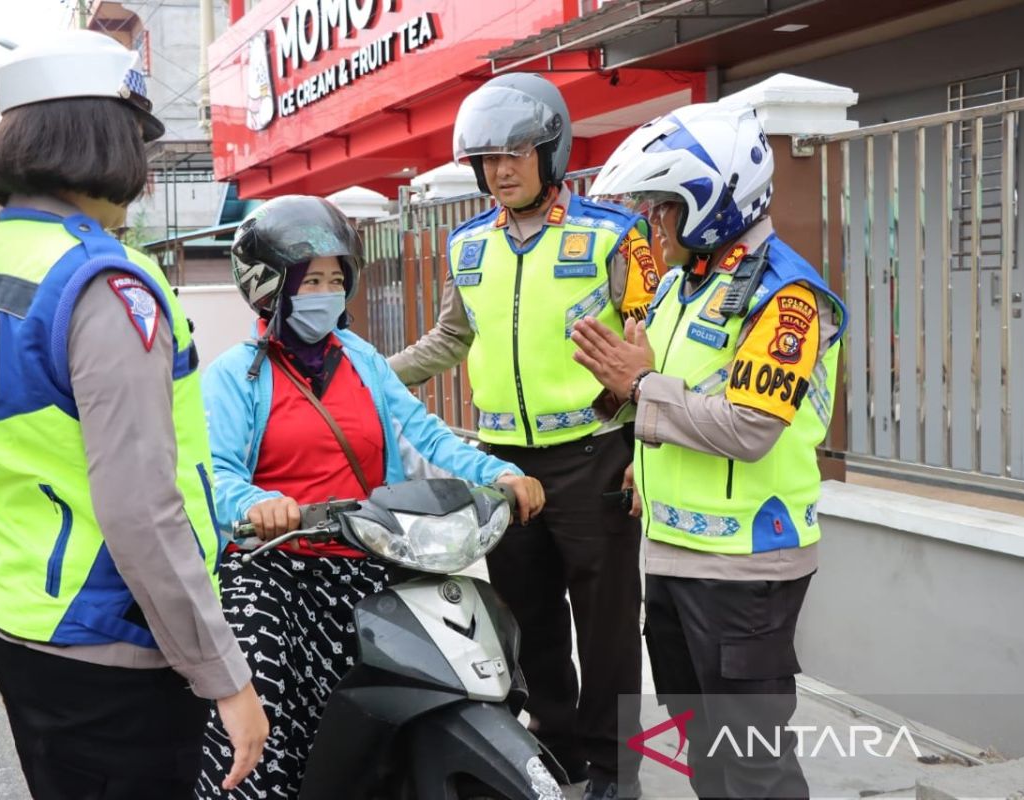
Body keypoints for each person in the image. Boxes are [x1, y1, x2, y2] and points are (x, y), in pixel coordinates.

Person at [0, 31, 267, 800]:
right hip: (109, 637)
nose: (142, 171)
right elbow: (142, 509)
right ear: (101, 140)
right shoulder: (101, 285)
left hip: (14, 610)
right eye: (137, 142)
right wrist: (223, 674)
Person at [195, 194, 546, 799]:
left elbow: (425, 433)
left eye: (337, 279)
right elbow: (217, 474)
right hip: (274, 567)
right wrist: (257, 504)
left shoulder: (361, 359)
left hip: (369, 558)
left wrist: (499, 474)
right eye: (311, 280)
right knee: (266, 704)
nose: (327, 293)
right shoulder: (236, 374)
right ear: (269, 287)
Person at [388, 73, 662, 799]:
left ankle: (614, 767)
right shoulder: (467, 245)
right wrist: (371, 376)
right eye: (487, 159)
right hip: (503, 466)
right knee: (527, 614)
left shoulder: (615, 234)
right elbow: (450, 337)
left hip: (595, 455)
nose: (500, 171)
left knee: (605, 627)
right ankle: (561, 746)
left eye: (515, 153)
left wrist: (643, 447)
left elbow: (650, 347)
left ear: (551, 153)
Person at [571, 101, 848, 798]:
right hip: (671, 555)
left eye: (661, 208)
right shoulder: (679, 288)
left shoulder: (785, 298)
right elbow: (658, 393)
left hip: (746, 566)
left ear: (711, 203)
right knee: (703, 754)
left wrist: (642, 385)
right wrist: (619, 391)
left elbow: (749, 430)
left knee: (755, 767)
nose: (650, 224)